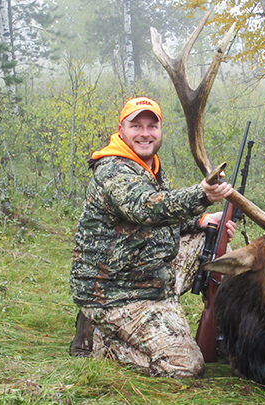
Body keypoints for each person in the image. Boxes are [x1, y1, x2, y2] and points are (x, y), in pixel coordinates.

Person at [69, 96, 236, 378]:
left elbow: (159, 213)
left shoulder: (149, 167)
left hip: (145, 276)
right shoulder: (113, 169)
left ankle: (153, 319)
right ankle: (102, 340)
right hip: (115, 291)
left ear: (160, 131)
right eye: (136, 126)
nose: (145, 133)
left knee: (212, 242)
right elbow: (144, 206)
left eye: (152, 126)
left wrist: (202, 220)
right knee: (186, 366)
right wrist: (202, 195)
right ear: (121, 130)